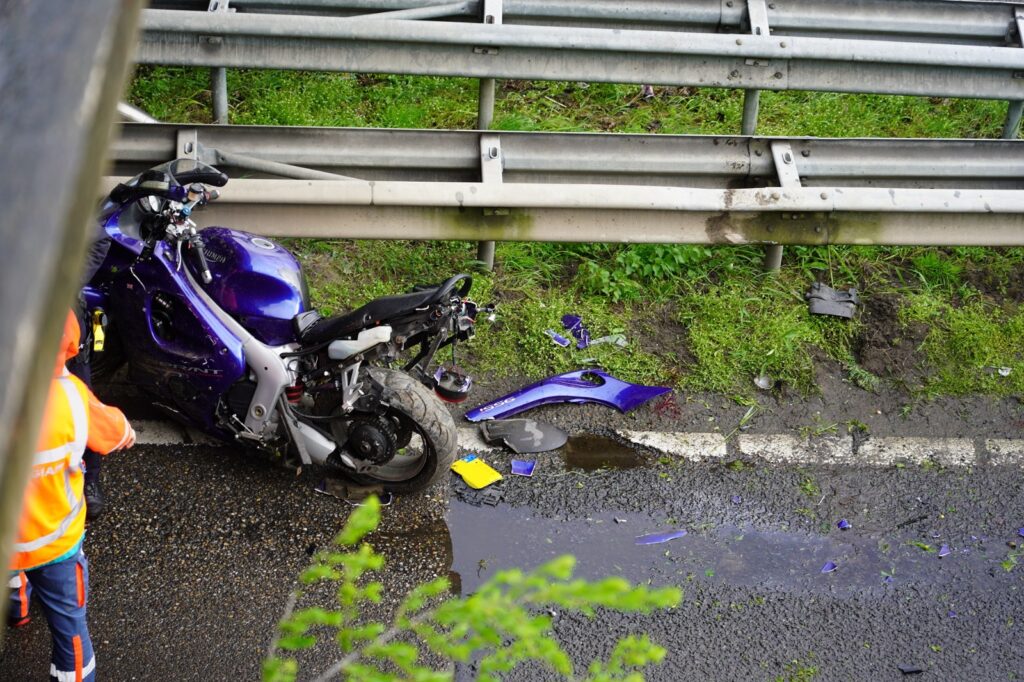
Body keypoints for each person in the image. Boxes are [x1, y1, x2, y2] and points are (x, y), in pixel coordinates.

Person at [7, 310, 135, 682]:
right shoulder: (73, 397)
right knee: (70, 632)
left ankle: (17, 610)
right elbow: (120, 433)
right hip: (56, 545)